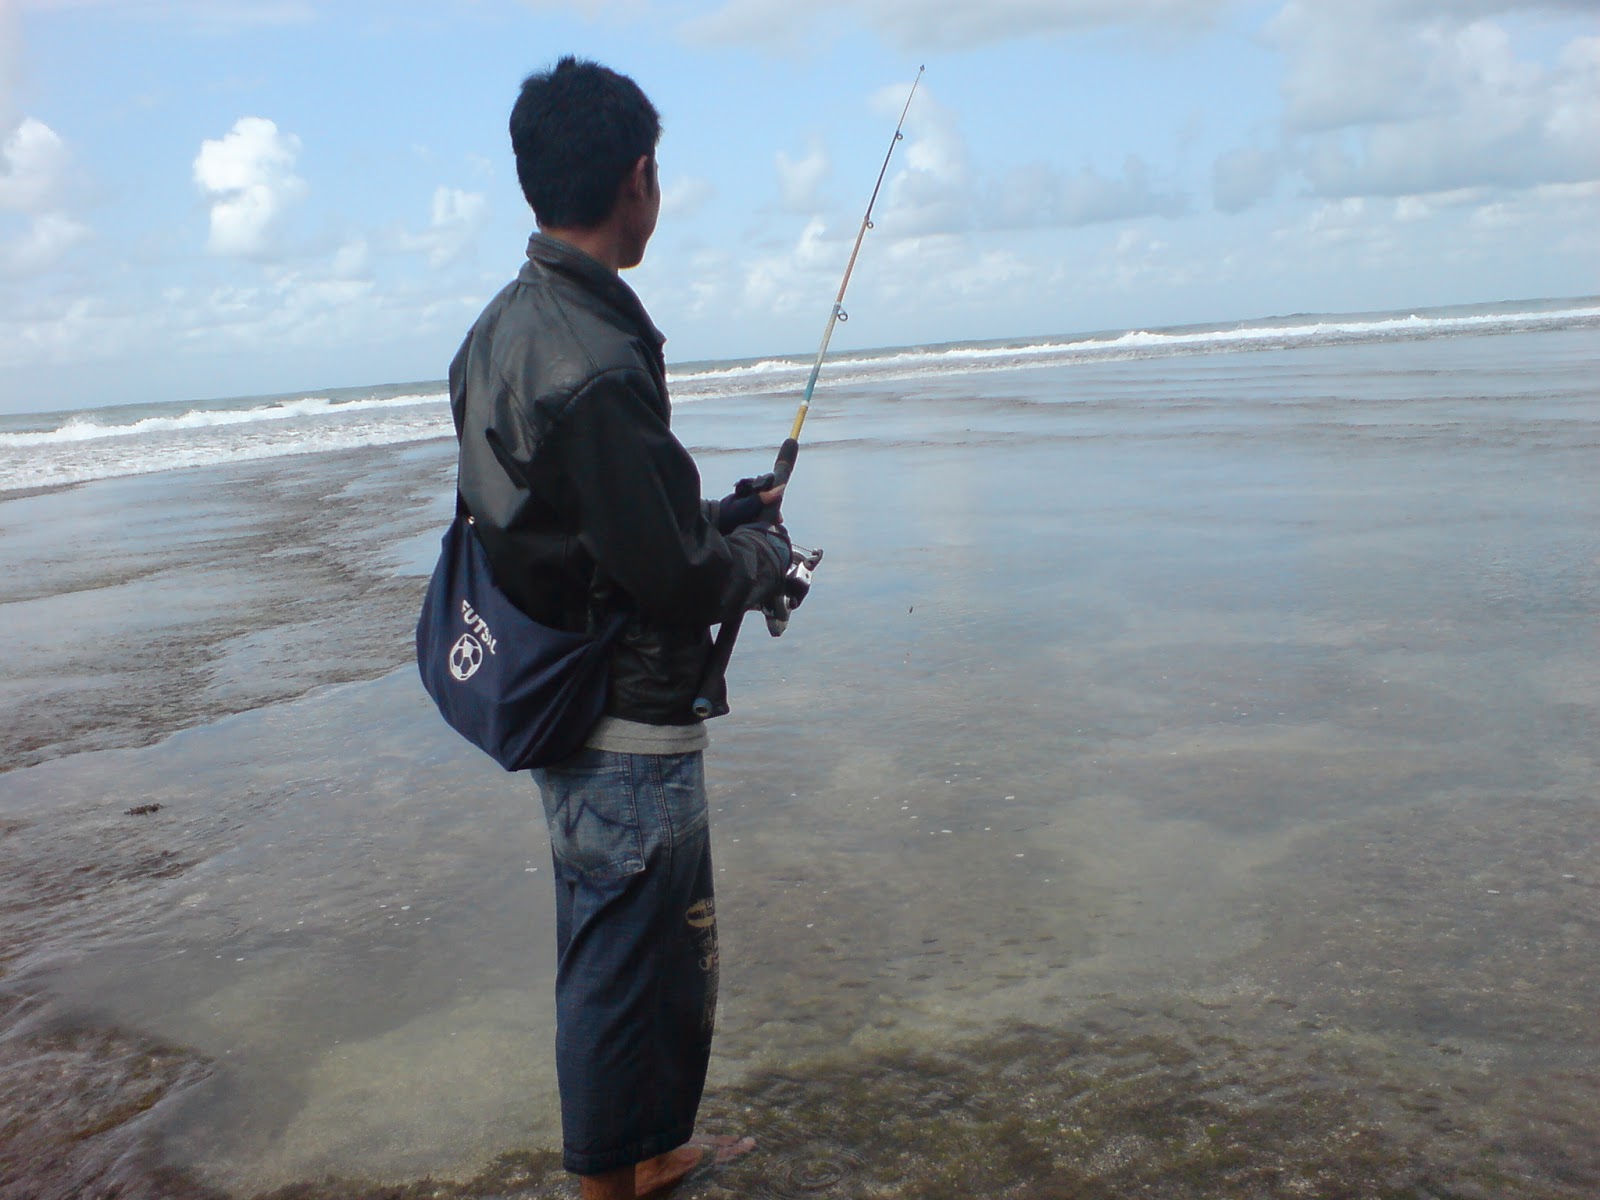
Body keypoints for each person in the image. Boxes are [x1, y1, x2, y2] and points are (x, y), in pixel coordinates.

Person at [447, 56, 794, 1200]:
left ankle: (655, 1149)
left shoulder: (502, 330)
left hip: (562, 682)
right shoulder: (594, 361)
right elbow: (673, 577)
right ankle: (611, 1180)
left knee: (657, 954)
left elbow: (586, 525)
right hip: (621, 713)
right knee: (623, 964)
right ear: (638, 177)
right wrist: (757, 555)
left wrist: (729, 513)